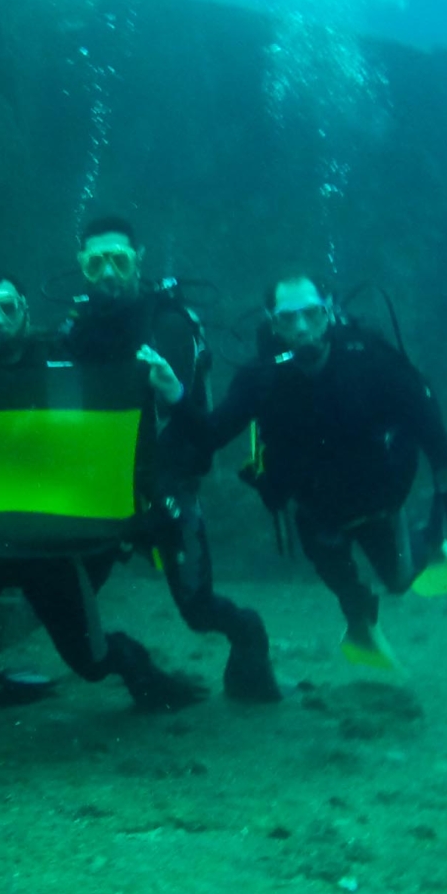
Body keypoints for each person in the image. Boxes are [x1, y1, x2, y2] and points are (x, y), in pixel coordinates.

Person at [0, 277, 206, 713]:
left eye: (7, 308)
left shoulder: (62, 362)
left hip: (47, 544)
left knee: (93, 660)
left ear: (26, 312)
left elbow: (102, 423)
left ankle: (143, 672)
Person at [186, 274, 447, 666]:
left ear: (328, 312)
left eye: (311, 314)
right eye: (288, 319)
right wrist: (177, 396)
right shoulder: (261, 379)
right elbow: (212, 434)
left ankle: (430, 543)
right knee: (343, 583)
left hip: (378, 502)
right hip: (317, 508)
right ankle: (361, 618)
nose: (302, 328)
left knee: (398, 580)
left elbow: (431, 431)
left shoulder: (371, 359)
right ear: (272, 323)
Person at [60, 216, 272, 702]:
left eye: (118, 259)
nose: (108, 271)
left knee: (198, 610)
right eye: (96, 262)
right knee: (69, 604)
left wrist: (172, 395)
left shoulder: (170, 323)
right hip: (98, 486)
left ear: (139, 259)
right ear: (82, 267)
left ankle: (247, 634)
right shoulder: (76, 326)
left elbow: (197, 420)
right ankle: (138, 670)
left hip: (165, 485)